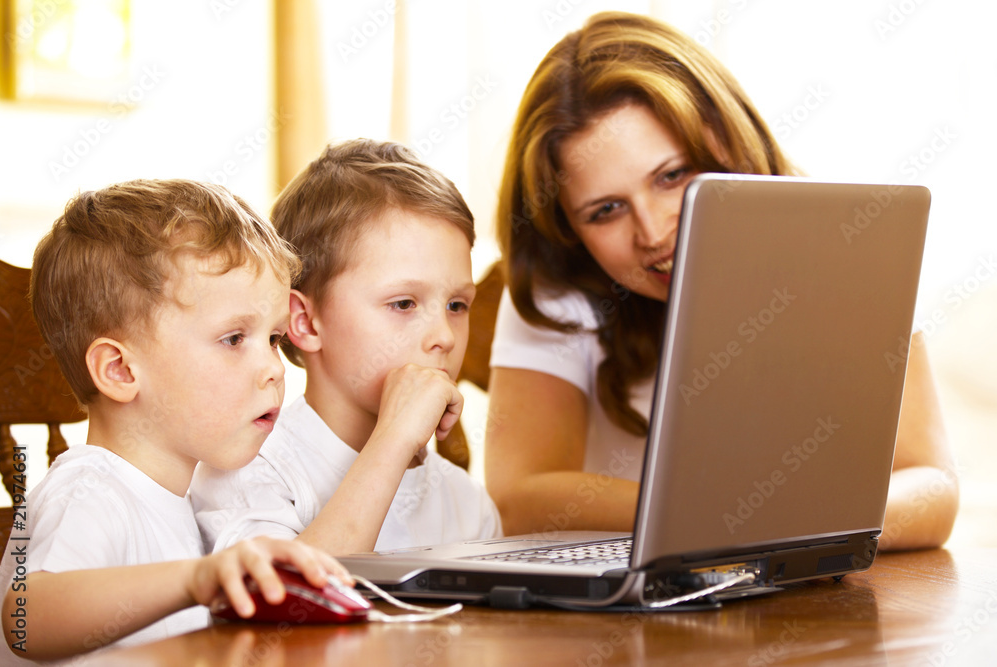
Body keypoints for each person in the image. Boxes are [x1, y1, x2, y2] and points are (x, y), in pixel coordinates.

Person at [485, 11, 958, 551]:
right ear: (569, 229)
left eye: (672, 176)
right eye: (606, 210)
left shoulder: (851, 246)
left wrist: (758, 520)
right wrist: (736, 517)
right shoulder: (558, 287)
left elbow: (931, 491)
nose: (654, 231)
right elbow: (519, 499)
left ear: (730, 141)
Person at [0, 179, 352, 664]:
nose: (275, 367)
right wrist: (195, 579)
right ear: (120, 371)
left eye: (272, 338)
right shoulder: (88, 488)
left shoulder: (180, 500)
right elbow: (28, 618)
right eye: (233, 339)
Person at [191, 139, 502, 556]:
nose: (445, 335)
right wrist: (394, 440)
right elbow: (292, 601)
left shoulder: (468, 503)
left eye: (457, 305)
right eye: (404, 303)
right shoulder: (248, 471)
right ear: (304, 321)